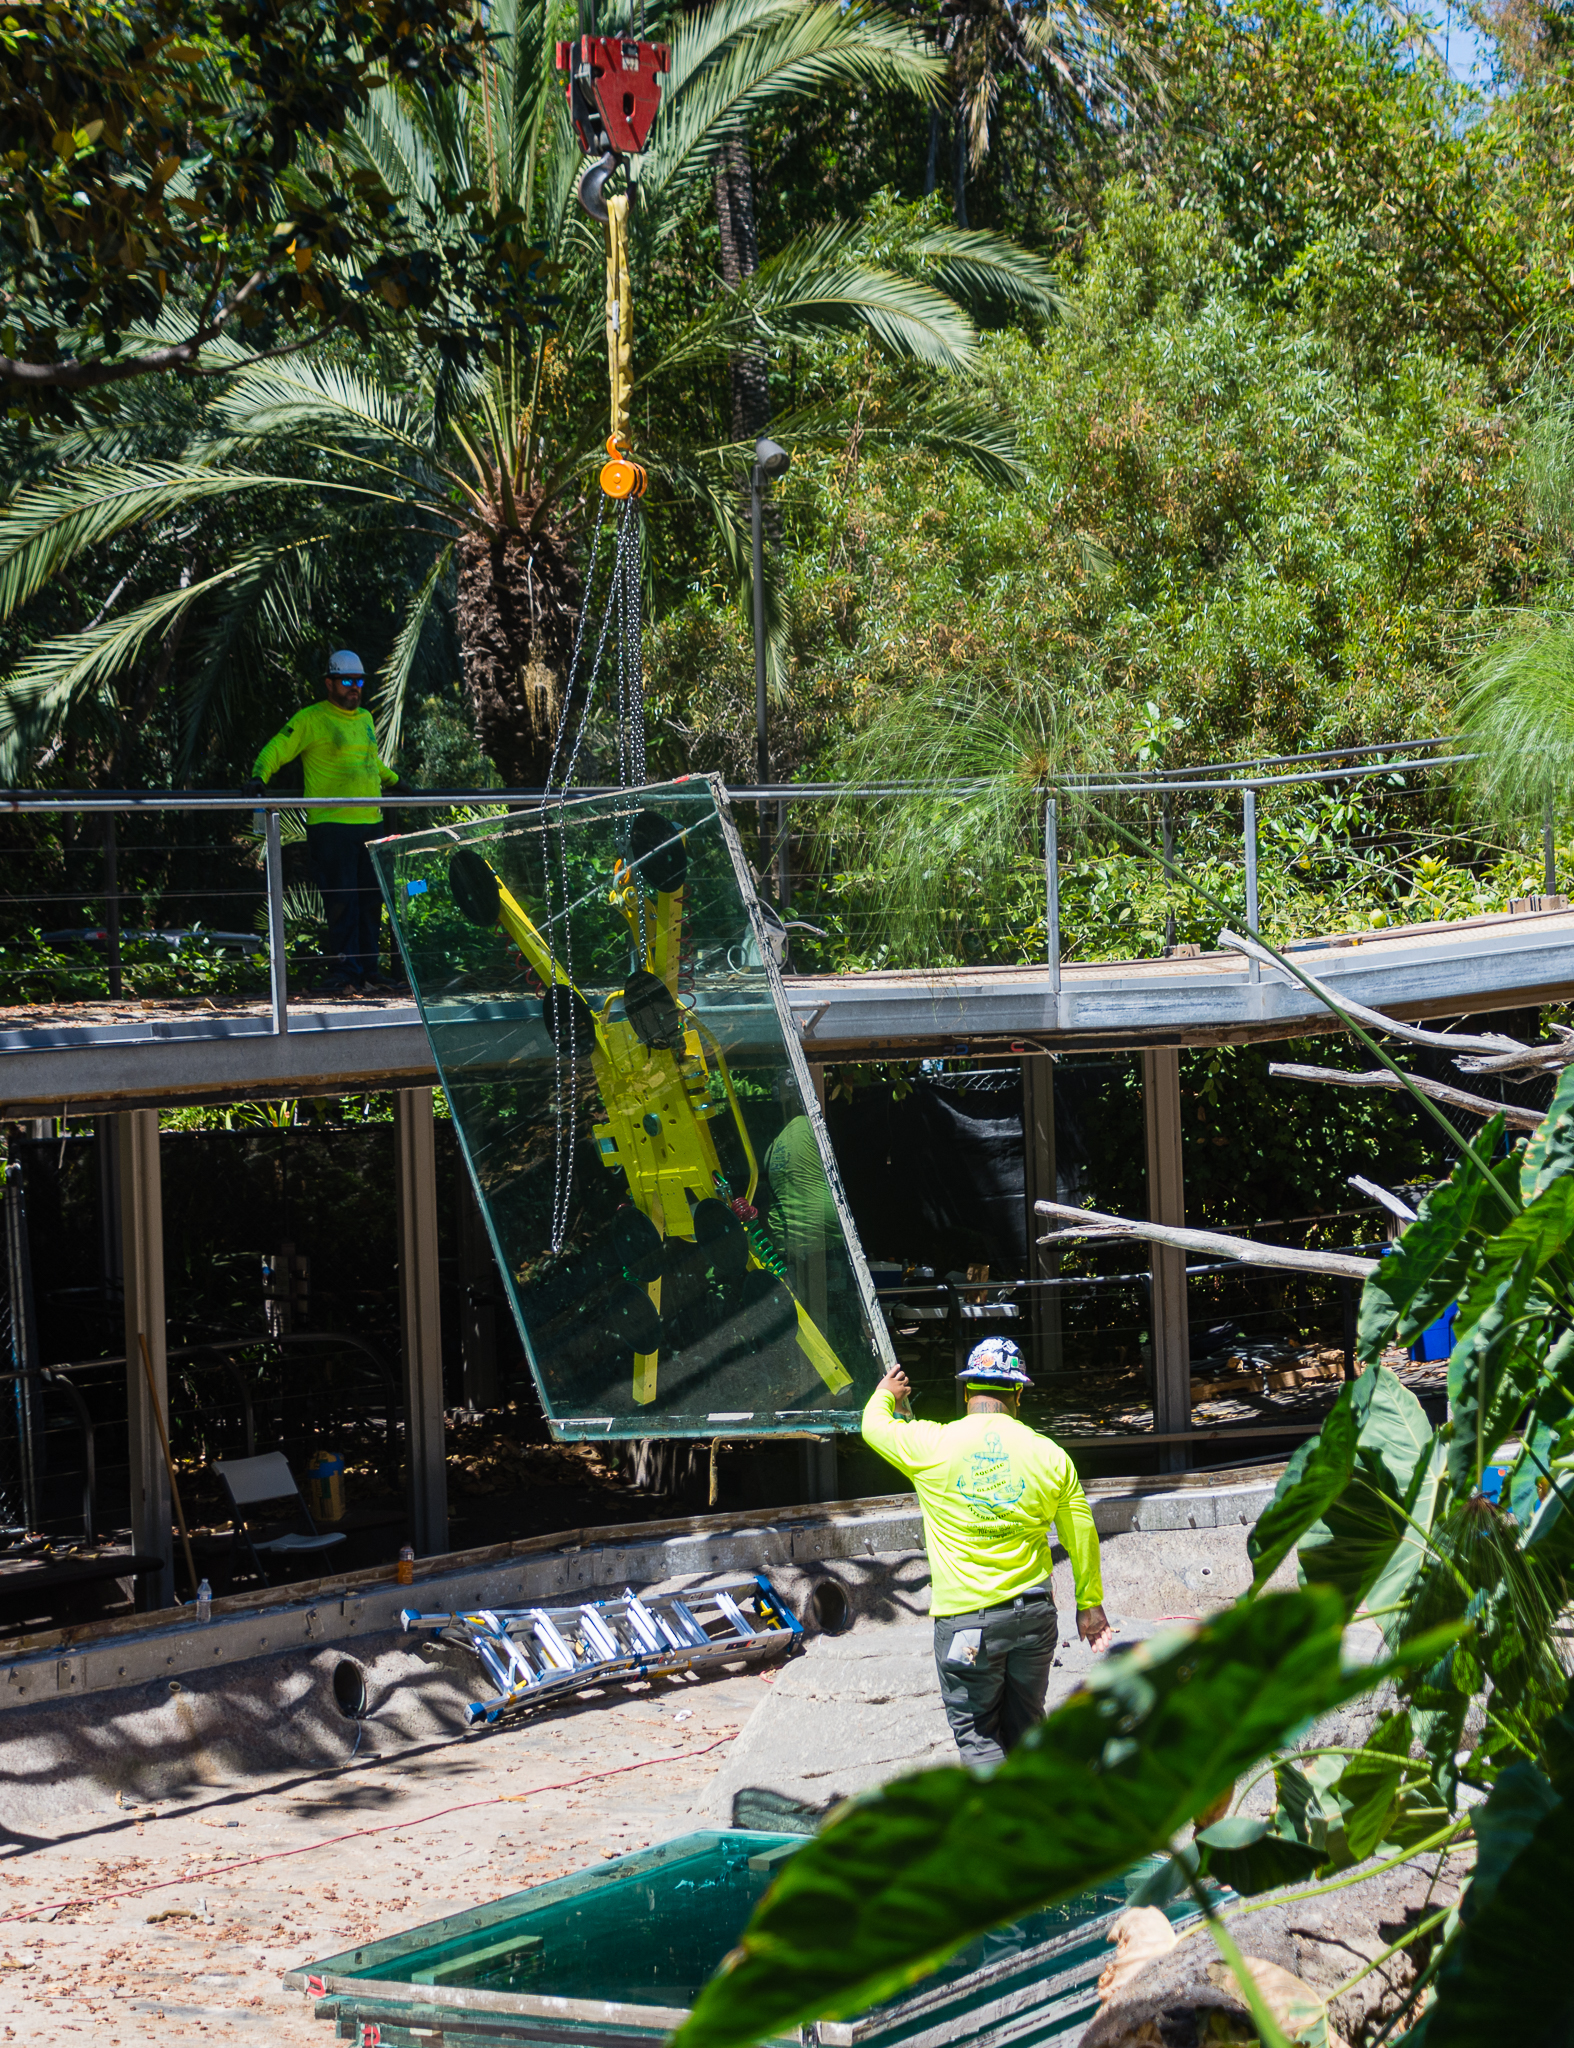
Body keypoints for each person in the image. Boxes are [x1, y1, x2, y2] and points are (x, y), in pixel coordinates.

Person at [861, 1335, 1113, 1767]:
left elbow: (873, 1427)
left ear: (965, 1391)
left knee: (979, 1737)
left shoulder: (932, 1444)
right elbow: (1081, 1534)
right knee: (1027, 1728)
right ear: (1018, 1393)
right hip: (1033, 1618)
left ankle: (999, 1834)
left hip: (967, 1627)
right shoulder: (1049, 1454)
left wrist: (888, 1394)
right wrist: (1089, 1605)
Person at [247, 651, 402, 993]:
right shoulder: (311, 719)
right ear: (329, 683)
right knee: (341, 900)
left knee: (370, 901)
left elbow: (370, 763)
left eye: (359, 681)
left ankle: (369, 972)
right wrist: (259, 776)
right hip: (331, 827)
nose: (354, 688)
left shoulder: (365, 718)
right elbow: (278, 746)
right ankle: (345, 972)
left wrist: (395, 782)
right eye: (347, 681)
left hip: (370, 823)